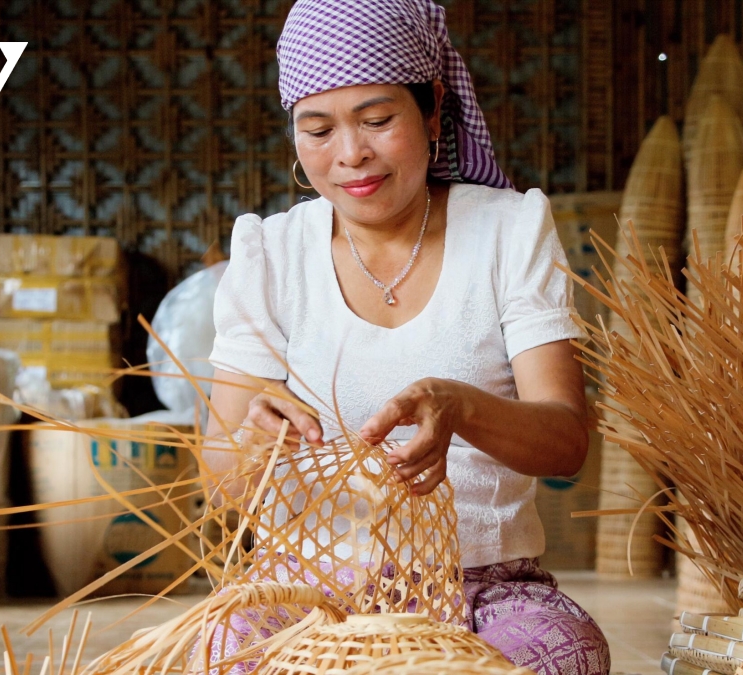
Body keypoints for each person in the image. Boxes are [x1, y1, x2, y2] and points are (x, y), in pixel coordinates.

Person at [205, 1, 608, 673]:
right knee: (227, 647)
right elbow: (219, 484)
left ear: (433, 108)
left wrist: (464, 406)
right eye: (318, 128)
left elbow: (566, 442)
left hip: (482, 583)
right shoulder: (267, 252)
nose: (350, 154)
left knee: (564, 655)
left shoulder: (510, 229)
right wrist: (251, 442)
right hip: (304, 587)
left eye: (377, 119)